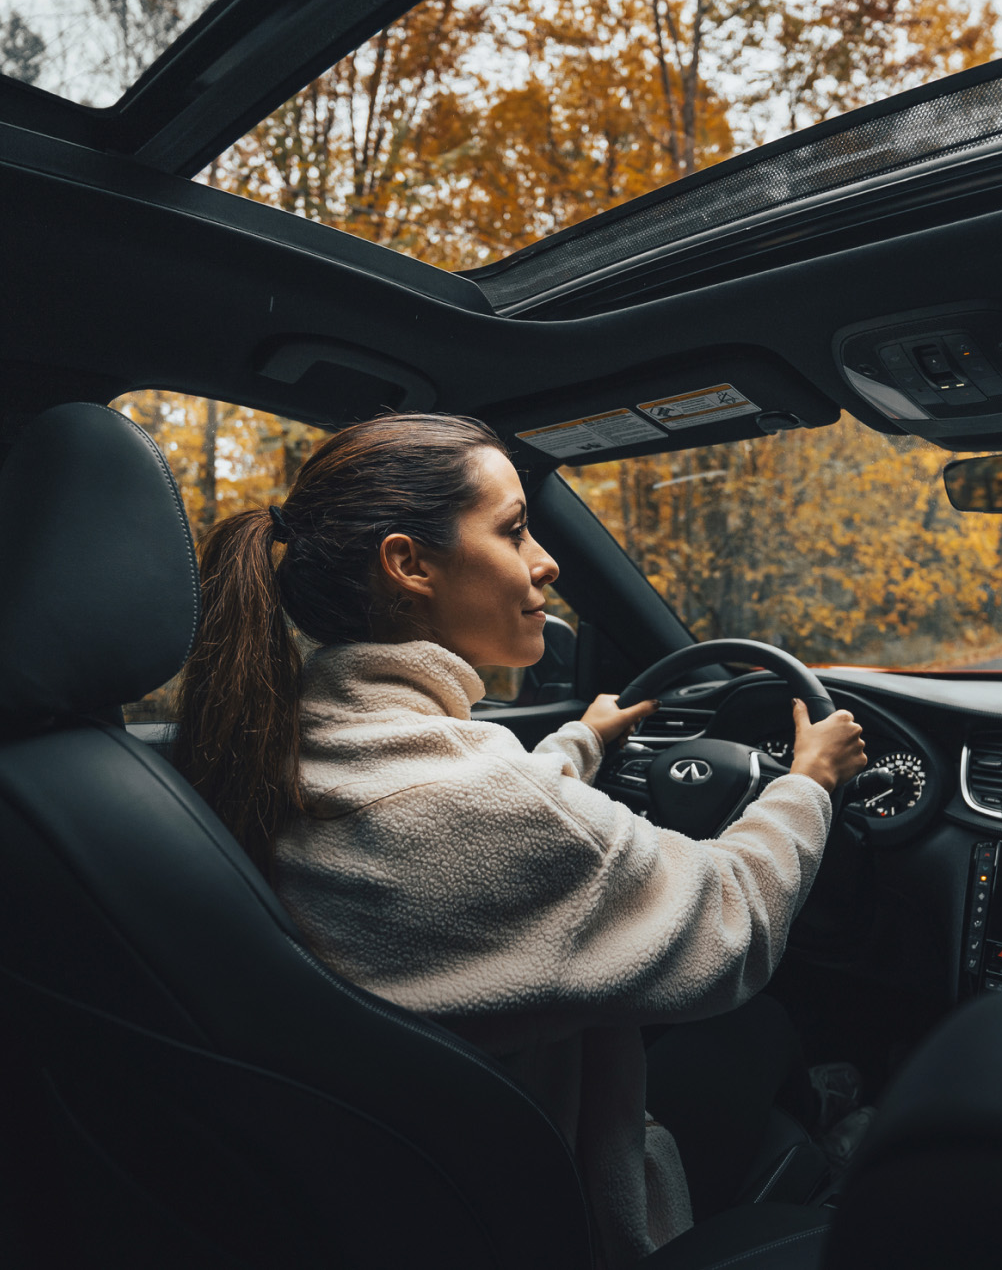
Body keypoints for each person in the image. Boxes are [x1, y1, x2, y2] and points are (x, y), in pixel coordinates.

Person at [174, 413, 866, 1268]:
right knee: (754, 1028)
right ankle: (840, 1138)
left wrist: (582, 741)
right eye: (513, 529)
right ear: (409, 564)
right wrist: (808, 784)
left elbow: (489, 818)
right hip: (553, 1209)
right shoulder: (491, 804)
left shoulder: (278, 741)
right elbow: (733, 924)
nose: (547, 560)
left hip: (404, 1187)